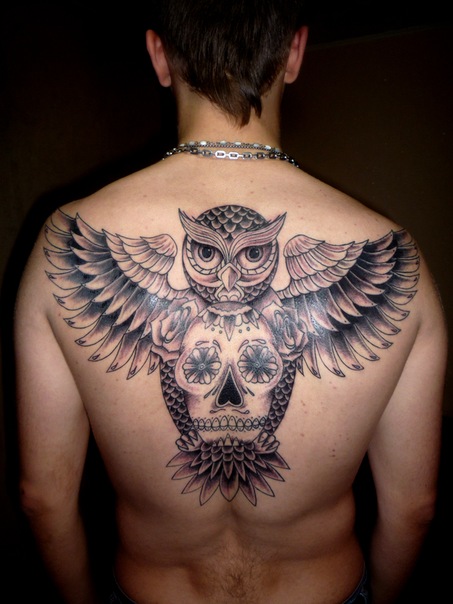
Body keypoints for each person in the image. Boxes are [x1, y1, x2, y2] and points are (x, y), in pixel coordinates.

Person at [14, 1, 448, 603]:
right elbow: (413, 508)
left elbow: (44, 498)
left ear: (158, 55)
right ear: (294, 53)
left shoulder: (63, 244)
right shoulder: (397, 258)